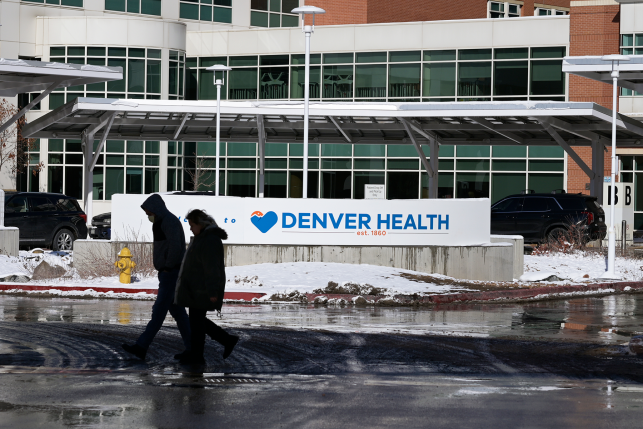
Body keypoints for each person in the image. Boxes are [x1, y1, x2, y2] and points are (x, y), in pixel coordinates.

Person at [122, 194, 191, 360]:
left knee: (159, 312)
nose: (148, 216)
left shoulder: (169, 221)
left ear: (156, 209)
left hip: (170, 273)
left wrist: (168, 267)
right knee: (179, 314)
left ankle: (141, 347)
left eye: (148, 213)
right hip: (168, 273)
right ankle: (193, 350)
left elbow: (175, 246)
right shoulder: (163, 221)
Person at [174, 209, 239, 365]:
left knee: (196, 323)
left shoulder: (209, 240)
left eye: (191, 225)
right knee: (197, 322)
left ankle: (201, 354)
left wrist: (212, 291)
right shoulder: (202, 238)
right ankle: (212, 347)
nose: (190, 228)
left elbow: (211, 267)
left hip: (201, 289)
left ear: (199, 224)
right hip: (196, 288)